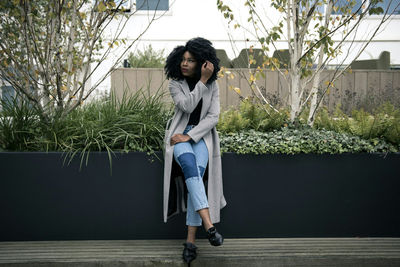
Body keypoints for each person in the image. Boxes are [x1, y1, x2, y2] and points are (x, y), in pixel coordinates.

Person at [163, 37, 227, 264]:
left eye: (190, 60)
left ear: (201, 61)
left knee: (195, 179)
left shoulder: (213, 85)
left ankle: (190, 242)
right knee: (190, 168)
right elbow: (188, 105)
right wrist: (202, 81)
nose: (185, 63)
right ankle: (210, 227)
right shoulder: (175, 83)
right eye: (183, 59)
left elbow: (213, 117)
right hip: (178, 137)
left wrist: (191, 136)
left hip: (200, 137)